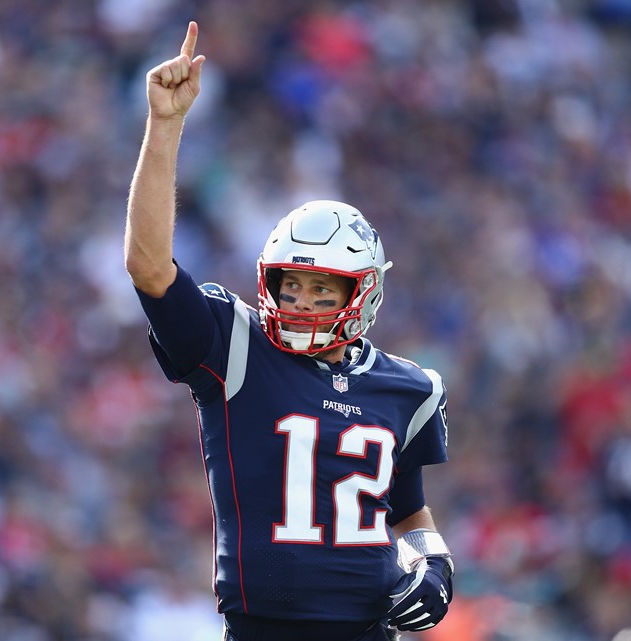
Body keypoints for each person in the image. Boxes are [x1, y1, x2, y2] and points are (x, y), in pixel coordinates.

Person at [124, 21, 455, 641]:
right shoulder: (237, 345)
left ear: (363, 293)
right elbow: (149, 267)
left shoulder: (409, 388)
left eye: (322, 289)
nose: (300, 301)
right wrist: (165, 127)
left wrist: (432, 561)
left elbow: (407, 509)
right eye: (290, 286)